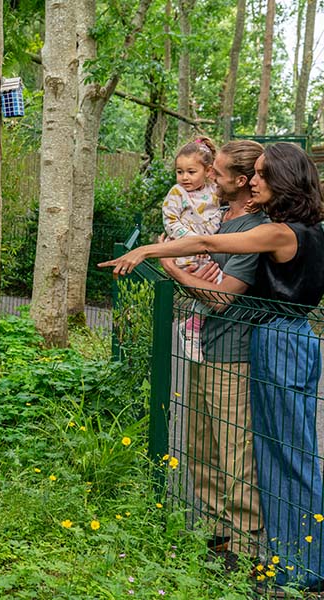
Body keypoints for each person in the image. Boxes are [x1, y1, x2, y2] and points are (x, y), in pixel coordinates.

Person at [100, 142, 324, 590]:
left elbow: (206, 245)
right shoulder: (307, 227)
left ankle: (303, 565)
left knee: (285, 455)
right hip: (285, 336)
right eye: (254, 172)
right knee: (275, 454)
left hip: (278, 337)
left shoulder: (281, 232)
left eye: (262, 174)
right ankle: (294, 559)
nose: (254, 181)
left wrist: (150, 252)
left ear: (283, 180)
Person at [160, 140, 266, 562]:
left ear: (239, 181)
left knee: (235, 450)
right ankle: (214, 529)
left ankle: (245, 546)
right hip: (204, 345)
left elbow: (221, 298)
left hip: (233, 351)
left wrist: (171, 267)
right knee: (201, 445)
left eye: (217, 173)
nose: (209, 178)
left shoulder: (253, 226)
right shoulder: (219, 217)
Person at [162, 137, 221, 362]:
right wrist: (195, 240)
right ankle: (192, 328)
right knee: (211, 289)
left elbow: (220, 213)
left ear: (207, 171)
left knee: (220, 288)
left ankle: (193, 325)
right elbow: (170, 221)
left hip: (206, 251)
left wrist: (206, 243)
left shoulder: (215, 190)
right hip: (185, 252)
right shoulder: (177, 193)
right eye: (180, 172)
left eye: (191, 171)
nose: (184, 177)